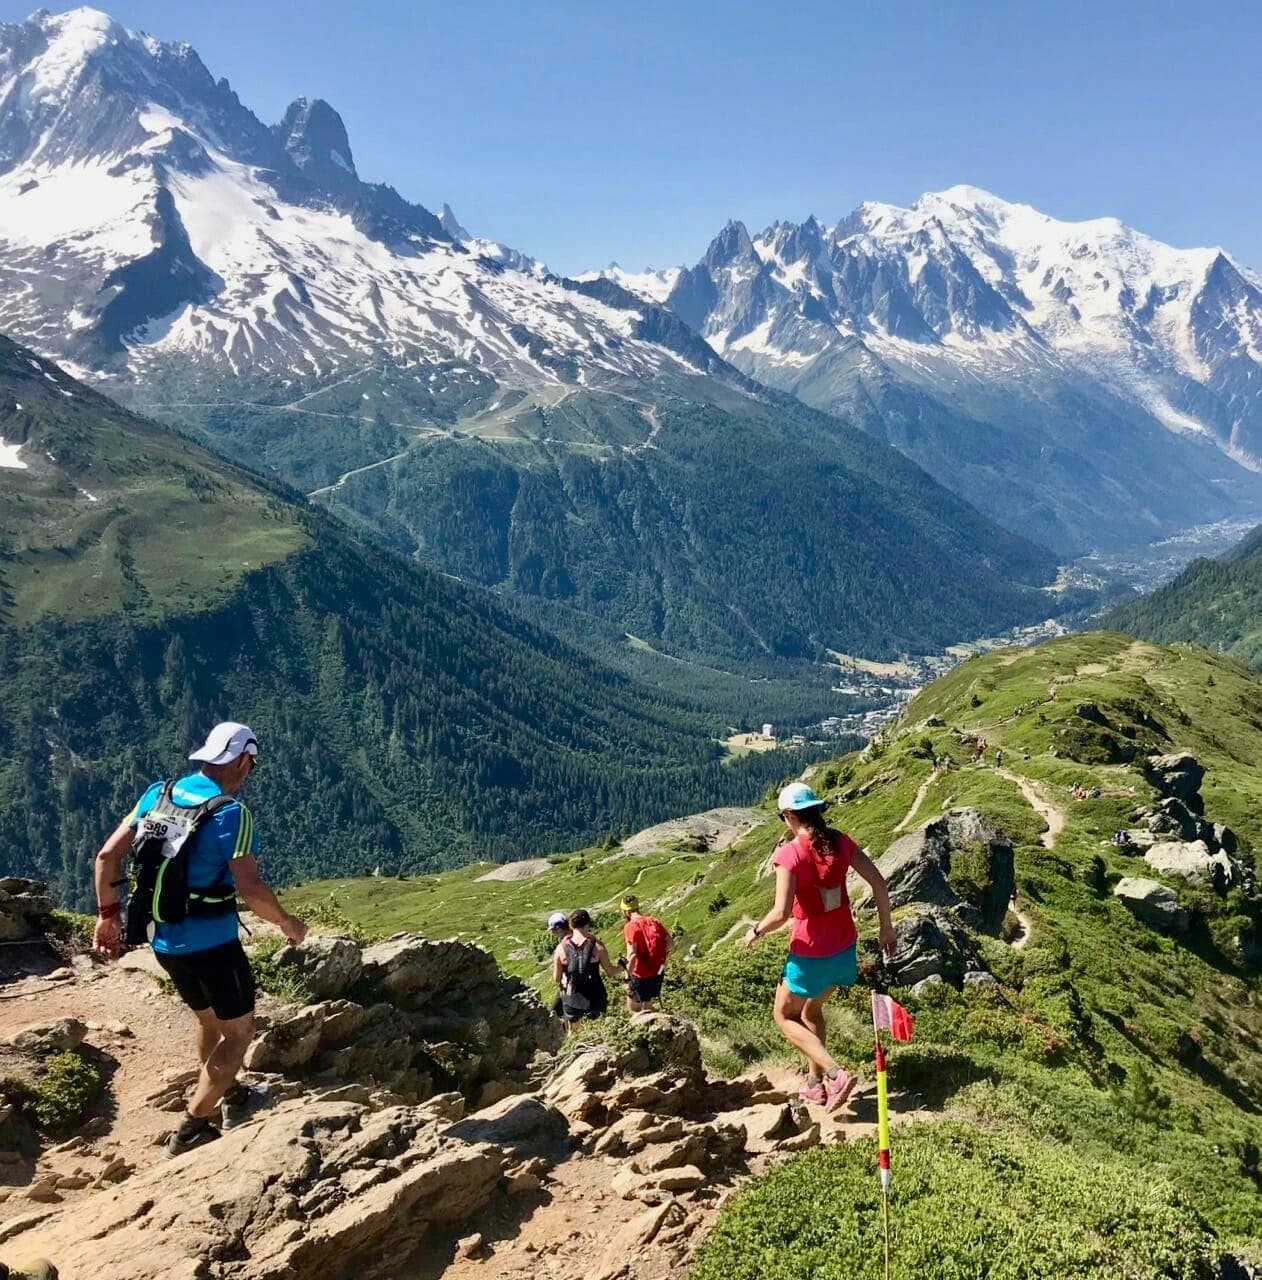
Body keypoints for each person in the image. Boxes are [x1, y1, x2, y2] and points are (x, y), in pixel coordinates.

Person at [91, 722, 307, 1157]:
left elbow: (107, 855)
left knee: (210, 1021)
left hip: (163, 939)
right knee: (239, 1033)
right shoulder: (231, 814)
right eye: (253, 763)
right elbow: (251, 890)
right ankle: (192, 1127)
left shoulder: (159, 792)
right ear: (244, 759)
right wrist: (287, 923)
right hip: (213, 944)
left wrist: (107, 917)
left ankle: (229, 1092)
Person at [743, 782, 897, 1112]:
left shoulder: (789, 855)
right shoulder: (840, 842)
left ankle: (835, 1073)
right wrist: (886, 928)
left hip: (809, 953)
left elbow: (781, 914)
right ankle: (814, 1085)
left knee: (784, 1015)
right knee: (811, 1011)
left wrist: (755, 931)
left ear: (788, 816)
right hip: (843, 949)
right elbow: (879, 883)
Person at [551, 908, 621, 1029]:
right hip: (595, 997)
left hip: (571, 997)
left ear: (571, 926)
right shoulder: (597, 945)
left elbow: (557, 978)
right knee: (598, 1029)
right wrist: (622, 966)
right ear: (588, 924)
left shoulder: (561, 948)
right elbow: (611, 972)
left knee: (573, 1032)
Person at [619, 895, 671, 1013]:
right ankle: (652, 1026)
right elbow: (670, 943)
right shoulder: (653, 921)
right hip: (658, 971)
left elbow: (632, 955)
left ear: (626, 911)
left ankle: (644, 1029)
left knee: (634, 1009)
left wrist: (627, 980)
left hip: (640, 974)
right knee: (647, 1003)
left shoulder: (630, 926)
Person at [546, 911, 572, 1019]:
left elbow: (557, 978)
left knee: (554, 1014)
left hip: (568, 988)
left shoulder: (561, 947)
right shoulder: (583, 939)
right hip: (589, 984)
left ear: (559, 929)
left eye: (553, 930)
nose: (552, 934)